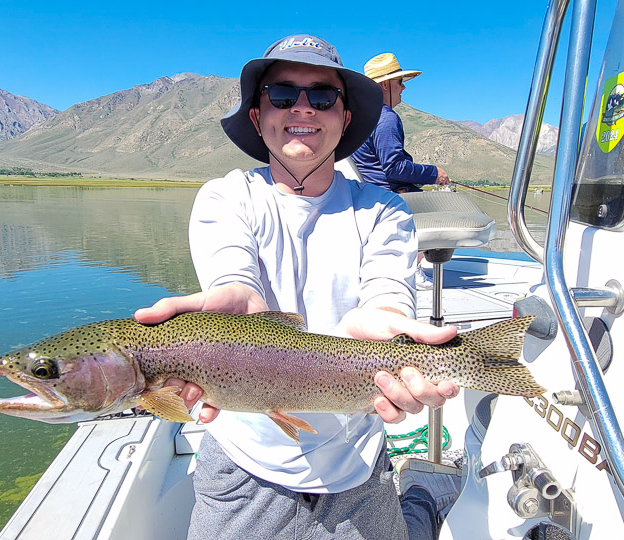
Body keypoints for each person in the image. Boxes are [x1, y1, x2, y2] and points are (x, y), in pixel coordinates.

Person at [133, 35, 462, 540]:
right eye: (282, 95)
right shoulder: (226, 197)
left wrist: (390, 320)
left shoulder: (383, 208)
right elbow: (233, 277)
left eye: (323, 96)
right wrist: (235, 299)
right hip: (241, 466)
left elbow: (387, 294)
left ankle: (420, 496)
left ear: (346, 117)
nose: (302, 107)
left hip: (359, 462)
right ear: (256, 115)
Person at [351, 52, 451, 193]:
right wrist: (434, 173)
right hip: (390, 198)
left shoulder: (360, 116)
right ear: (385, 84)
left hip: (371, 194)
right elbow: (395, 168)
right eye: (400, 82)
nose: (403, 87)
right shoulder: (386, 117)